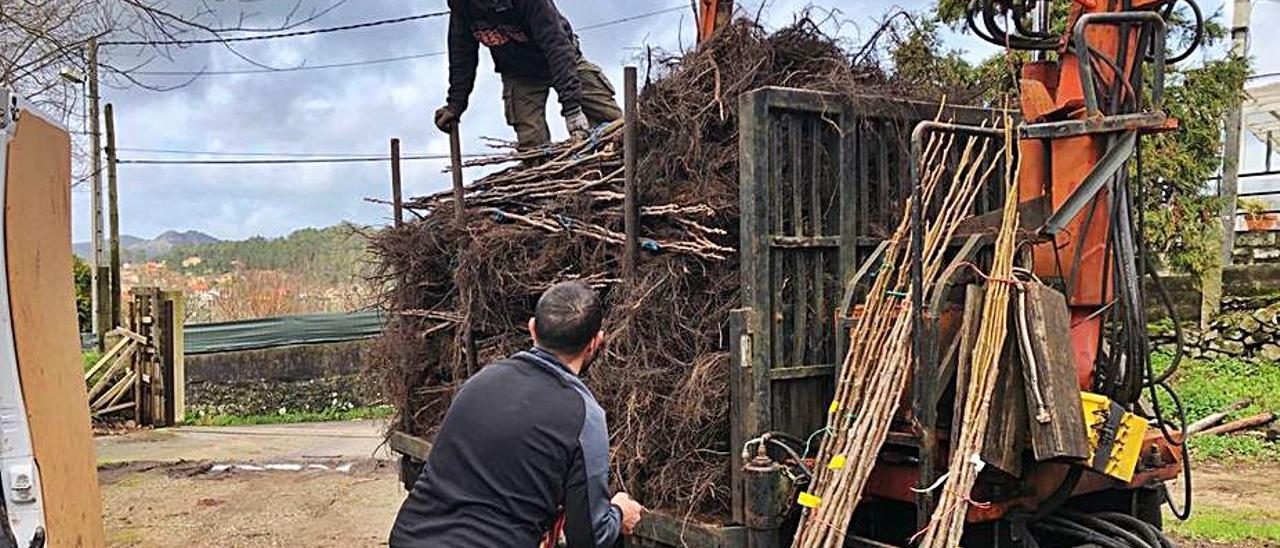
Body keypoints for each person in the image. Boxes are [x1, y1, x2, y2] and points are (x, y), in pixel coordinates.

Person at [390, 281, 645, 547]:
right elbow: (589, 537)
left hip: (411, 537)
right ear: (595, 343)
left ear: (532, 328)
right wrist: (618, 513)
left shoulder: (481, 381)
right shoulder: (585, 416)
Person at [433, 0, 623, 151]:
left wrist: (572, 109)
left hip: (564, 61)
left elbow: (556, 45)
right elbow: (461, 56)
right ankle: (548, 192)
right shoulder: (462, 7)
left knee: (616, 125)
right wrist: (455, 104)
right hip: (519, 73)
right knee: (532, 145)